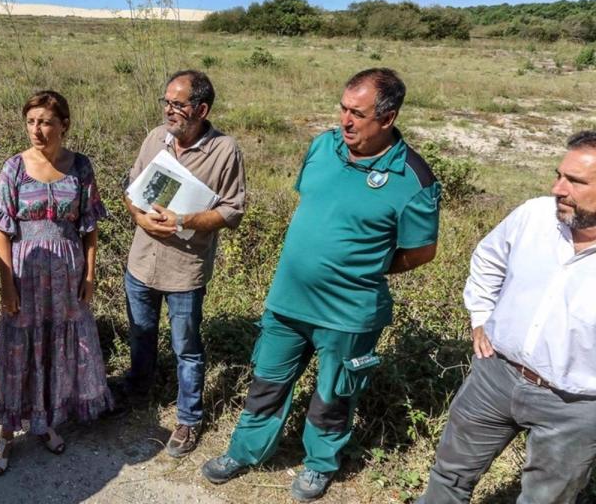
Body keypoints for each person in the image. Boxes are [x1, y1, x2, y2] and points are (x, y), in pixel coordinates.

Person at [202, 68, 441, 501]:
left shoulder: (414, 179)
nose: (345, 121)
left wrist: (364, 266)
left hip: (349, 314)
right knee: (267, 380)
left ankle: (318, 464)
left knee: (333, 396)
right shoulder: (323, 147)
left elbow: (421, 251)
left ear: (387, 119)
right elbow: (314, 207)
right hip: (288, 300)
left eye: (358, 114)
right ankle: (245, 450)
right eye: (343, 109)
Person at [417, 131, 596, 503]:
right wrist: (480, 314)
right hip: (495, 375)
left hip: (574, 407)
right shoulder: (534, 215)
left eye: (575, 181)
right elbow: (488, 258)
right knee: (449, 474)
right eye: (558, 174)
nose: (558, 188)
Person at [0, 90, 114, 475]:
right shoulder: (14, 168)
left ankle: (46, 422)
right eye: (31, 122)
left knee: (58, 345)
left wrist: (89, 275)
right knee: (19, 347)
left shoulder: (81, 167)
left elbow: (89, 227)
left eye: (45, 122)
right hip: (26, 271)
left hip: (68, 272)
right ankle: (6, 432)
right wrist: (8, 285)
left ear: (64, 125)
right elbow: (2, 232)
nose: (37, 131)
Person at [115, 70, 247, 458]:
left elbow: (233, 210)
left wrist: (184, 221)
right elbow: (131, 186)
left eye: (179, 104)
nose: (170, 111)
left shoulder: (225, 151)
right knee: (140, 333)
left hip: (184, 269)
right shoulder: (156, 138)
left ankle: (188, 418)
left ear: (202, 109)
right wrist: (138, 217)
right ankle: (139, 390)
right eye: (167, 102)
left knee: (186, 347)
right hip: (141, 262)